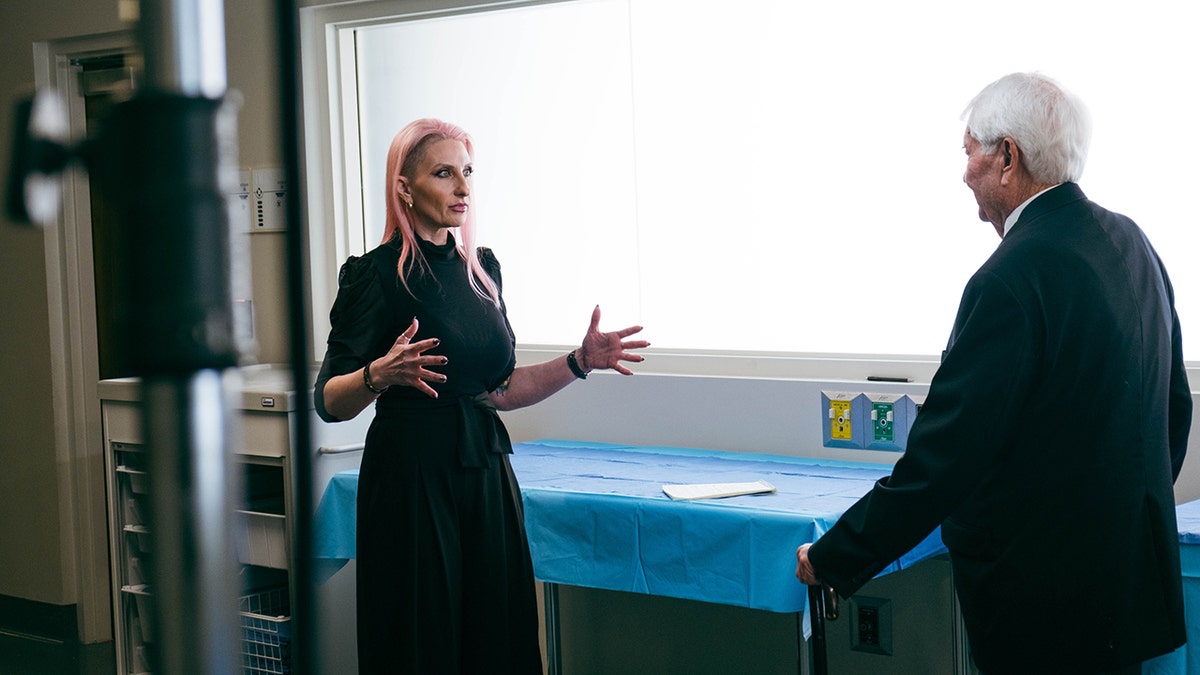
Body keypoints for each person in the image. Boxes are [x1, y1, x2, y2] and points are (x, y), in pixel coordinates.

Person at [795, 72, 1191, 674]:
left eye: (969, 152)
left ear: (1008, 157)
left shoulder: (1012, 277)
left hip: (1044, 611)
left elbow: (943, 458)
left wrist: (835, 556)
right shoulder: (1132, 242)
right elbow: (1173, 410)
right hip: (1127, 595)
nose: (963, 173)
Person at [314, 117, 649, 674]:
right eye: (444, 174)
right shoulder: (373, 276)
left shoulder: (482, 270)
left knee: (500, 633)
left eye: (467, 172)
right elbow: (328, 400)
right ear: (405, 187)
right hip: (411, 480)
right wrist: (378, 373)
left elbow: (499, 389)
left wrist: (578, 362)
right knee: (422, 640)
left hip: (486, 473)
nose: (463, 188)